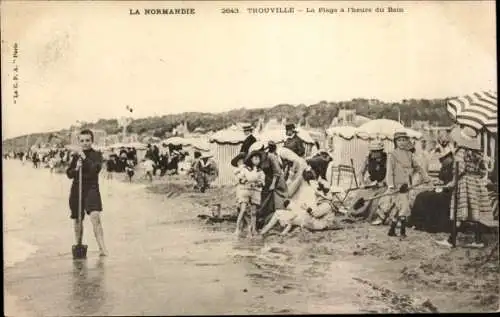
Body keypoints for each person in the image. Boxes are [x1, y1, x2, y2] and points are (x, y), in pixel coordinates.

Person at [436, 127, 490, 248]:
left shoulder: (461, 152)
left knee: (458, 211)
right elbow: (482, 171)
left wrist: (453, 182)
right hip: (475, 183)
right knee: (473, 212)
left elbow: (458, 169)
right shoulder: (478, 154)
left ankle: (451, 241)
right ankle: (477, 240)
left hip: (464, 183)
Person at [66, 129, 108, 256]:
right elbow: (69, 173)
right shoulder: (75, 156)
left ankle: (103, 248)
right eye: (82, 141)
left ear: (92, 141)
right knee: (78, 219)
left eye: (88, 140)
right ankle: (78, 245)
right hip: (77, 189)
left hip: (91, 189)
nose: (85, 143)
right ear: (79, 141)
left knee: (95, 217)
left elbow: (95, 169)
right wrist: (76, 168)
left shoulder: (97, 155)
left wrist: (84, 158)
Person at [383, 131, 430, 239]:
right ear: (395, 142)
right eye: (399, 140)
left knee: (398, 208)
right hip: (396, 186)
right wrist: (390, 186)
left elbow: (418, 167)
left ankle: (391, 230)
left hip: (407, 185)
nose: (402, 142)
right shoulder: (392, 155)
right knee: (404, 208)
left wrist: (426, 177)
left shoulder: (410, 154)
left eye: (404, 140)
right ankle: (403, 231)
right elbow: (389, 171)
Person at [410, 148, 455, 233]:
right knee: (421, 196)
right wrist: (438, 182)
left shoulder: (454, 167)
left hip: (450, 191)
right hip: (442, 188)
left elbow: (453, 181)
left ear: (450, 157)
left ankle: (433, 225)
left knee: (433, 198)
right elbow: (441, 179)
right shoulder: (444, 166)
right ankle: (419, 222)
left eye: (444, 159)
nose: (442, 161)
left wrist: (445, 185)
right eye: (441, 159)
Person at [348, 140, 388, 222]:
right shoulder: (368, 158)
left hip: (382, 183)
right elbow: (361, 172)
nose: (374, 153)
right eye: (372, 151)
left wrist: (383, 182)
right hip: (370, 182)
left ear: (381, 151)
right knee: (360, 194)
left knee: (375, 198)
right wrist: (362, 182)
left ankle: (370, 216)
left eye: (376, 151)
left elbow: (389, 174)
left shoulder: (387, 159)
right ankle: (355, 213)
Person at [253, 141, 288, 229]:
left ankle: (281, 221)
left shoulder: (270, 157)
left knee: (277, 199)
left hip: (277, 180)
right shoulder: (259, 159)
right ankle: (264, 219)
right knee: (265, 199)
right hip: (268, 180)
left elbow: (277, 172)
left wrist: (273, 184)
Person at [234, 150, 265, 237]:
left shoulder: (260, 171)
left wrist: (257, 183)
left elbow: (262, 182)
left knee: (253, 212)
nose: (256, 160)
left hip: (255, 191)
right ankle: (237, 228)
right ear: (250, 159)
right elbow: (239, 178)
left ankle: (253, 230)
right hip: (245, 190)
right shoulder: (245, 169)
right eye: (254, 158)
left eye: (258, 158)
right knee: (243, 210)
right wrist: (244, 181)